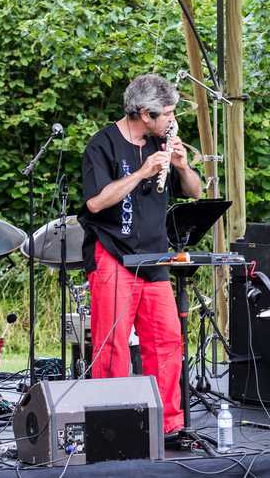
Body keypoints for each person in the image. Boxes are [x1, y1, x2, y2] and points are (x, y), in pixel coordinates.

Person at [79, 73, 202, 434]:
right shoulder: (101, 145)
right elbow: (96, 202)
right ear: (143, 114)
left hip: (154, 257)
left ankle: (167, 425)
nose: (171, 119)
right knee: (113, 345)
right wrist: (141, 173)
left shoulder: (162, 142)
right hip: (113, 254)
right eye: (165, 114)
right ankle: (112, 424)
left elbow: (194, 192)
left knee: (166, 340)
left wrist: (181, 165)